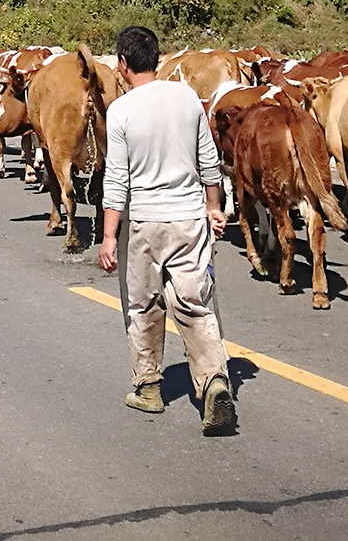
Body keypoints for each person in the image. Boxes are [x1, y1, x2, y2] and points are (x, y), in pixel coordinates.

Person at [97, 24, 235, 432]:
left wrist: (108, 237)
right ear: (157, 59)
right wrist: (214, 208)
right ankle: (214, 382)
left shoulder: (120, 110)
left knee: (143, 305)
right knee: (194, 302)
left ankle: (148, 388)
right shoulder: (187, 97)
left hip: (144, 223)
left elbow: (116, 181)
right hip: (190, 218)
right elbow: (209, 160)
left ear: (122, 64)